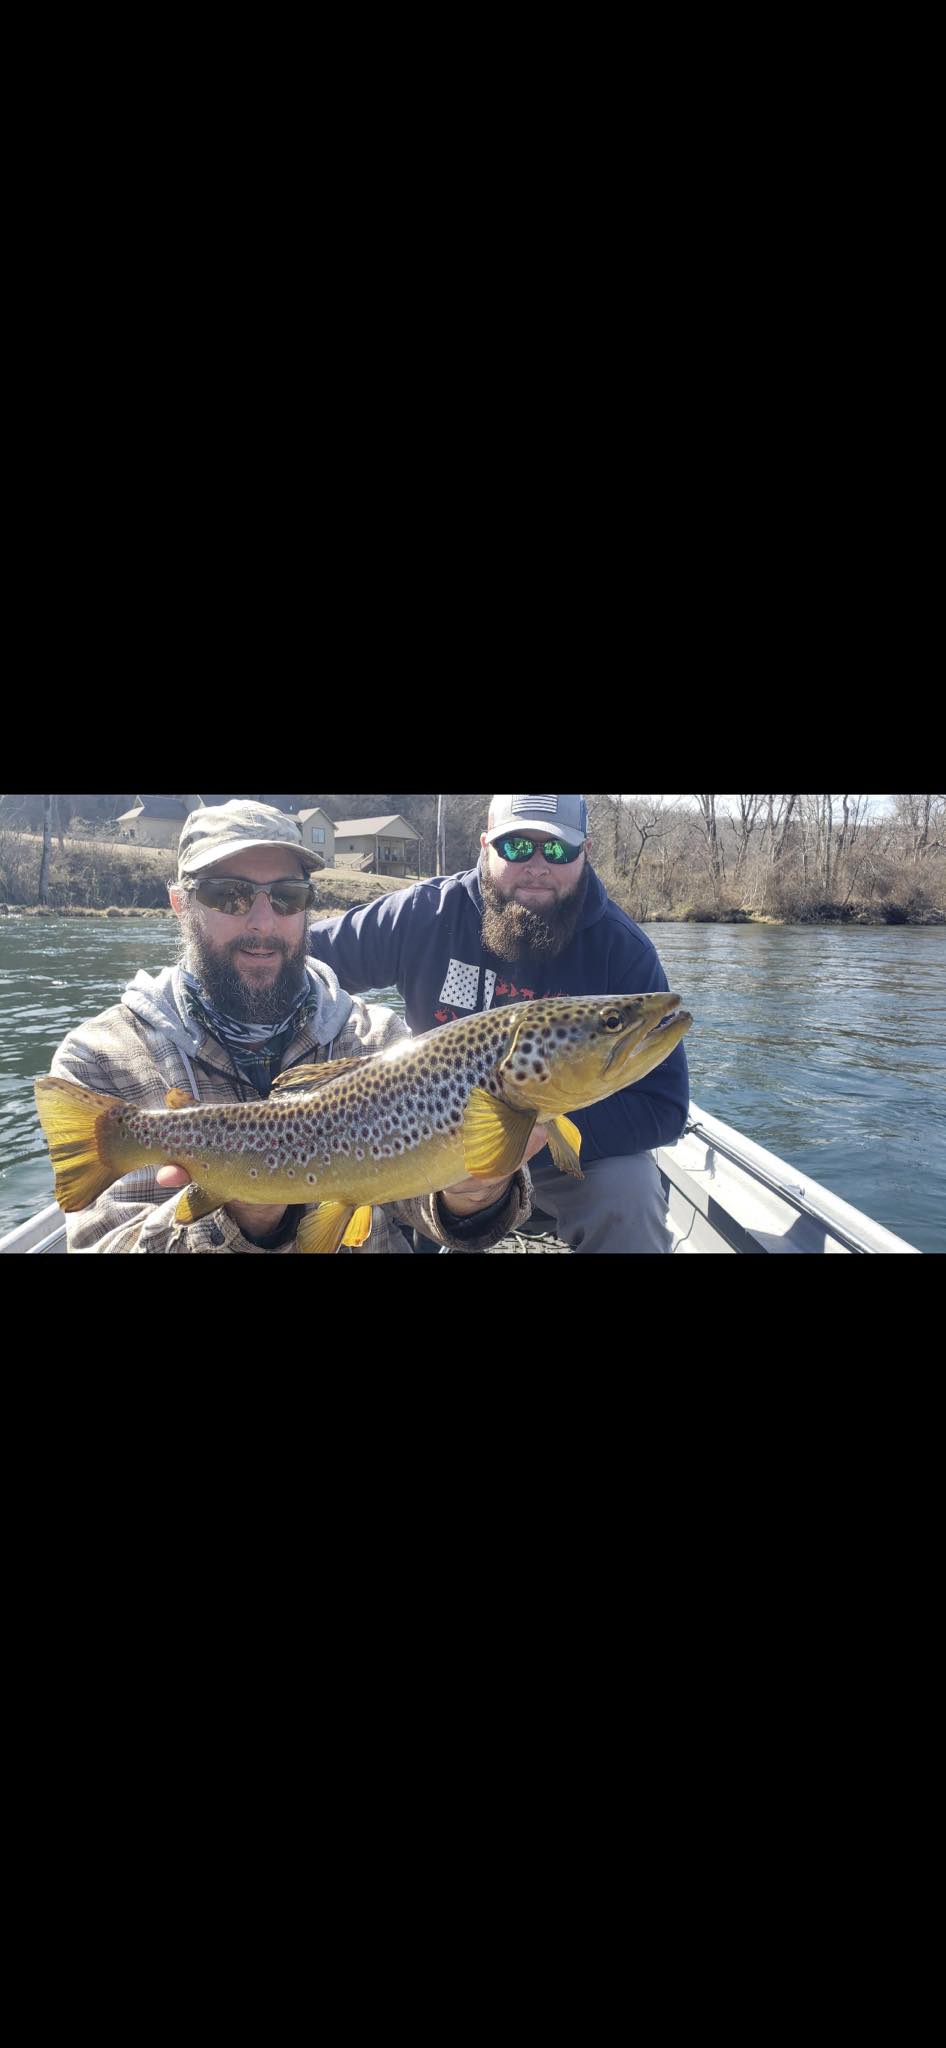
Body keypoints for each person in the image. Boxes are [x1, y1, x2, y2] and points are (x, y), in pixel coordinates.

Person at [47, 801, 535, 1253]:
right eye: (230, 896)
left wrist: (475, 1195)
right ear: (181, 903)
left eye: (287, 896)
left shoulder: (378, 1043)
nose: (263, 922)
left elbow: (430, 1206)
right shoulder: (100, 1058)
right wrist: (238, 1216)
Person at [308, 794, 690, 1253]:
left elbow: (664, 1108)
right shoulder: (426, 913)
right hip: (425, 1142)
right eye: (516, 847)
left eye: (557, 849)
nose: (537, 866)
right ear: (485, 846)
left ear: (585, 853)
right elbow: (300, 959)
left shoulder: (623, 949)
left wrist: (517, 1136)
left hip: (565, 1157)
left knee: (632, 1192)